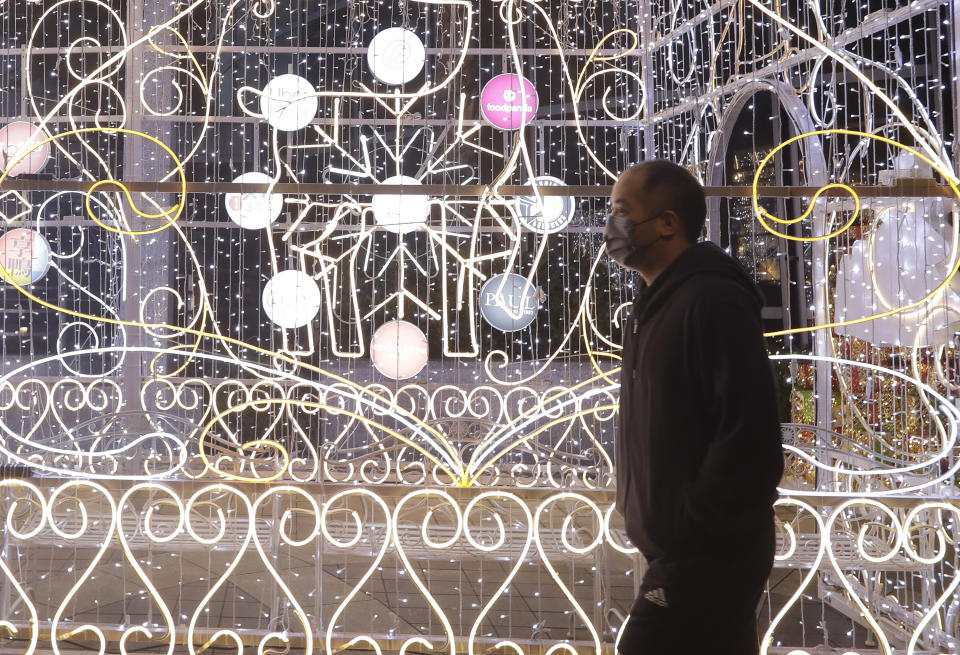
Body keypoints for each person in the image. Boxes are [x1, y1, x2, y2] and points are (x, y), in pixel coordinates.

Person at [604, 161, 784, 654]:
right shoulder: (653, 304)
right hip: (684, 548)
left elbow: (749, 434)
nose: (612, 226)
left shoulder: (712, 299)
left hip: (707, 551)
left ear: (667, 222)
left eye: (622, 212)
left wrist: (690, 524)